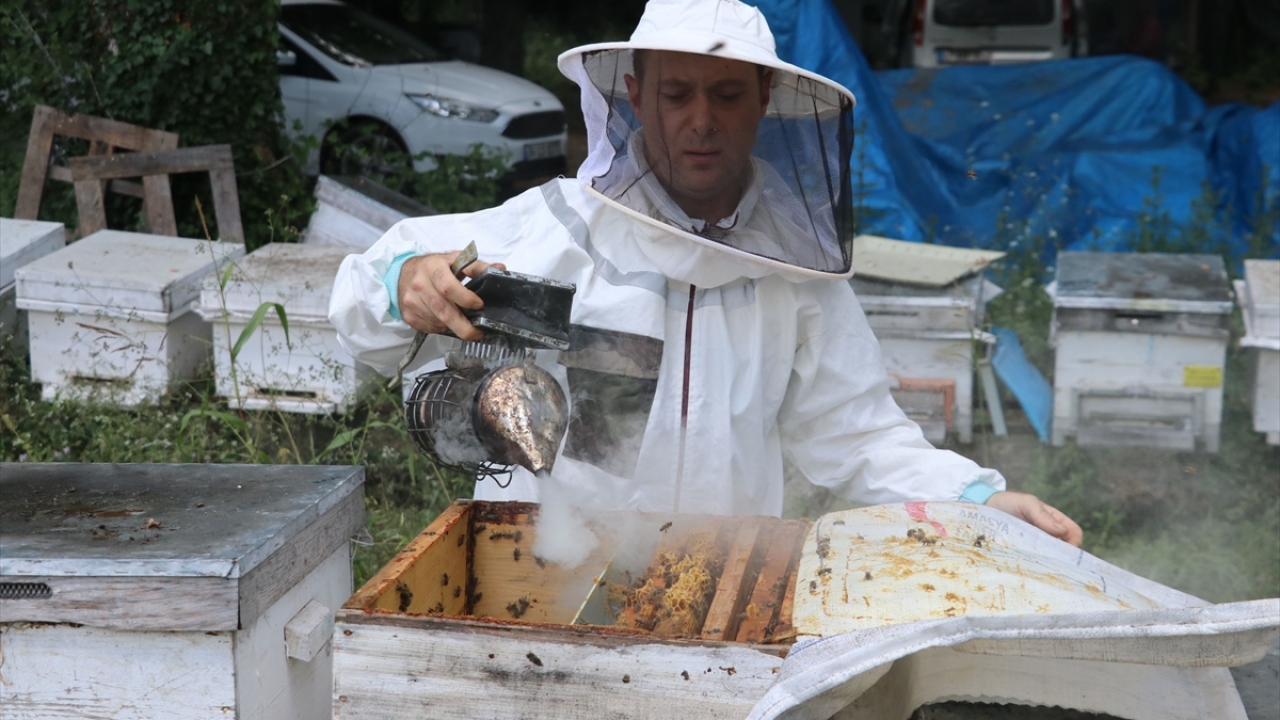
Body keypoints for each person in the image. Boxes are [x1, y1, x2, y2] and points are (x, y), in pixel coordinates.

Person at [330, 0, 1083, 546]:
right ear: (634, 96)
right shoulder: (559, 229)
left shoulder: (796, 271)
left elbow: (855, 434)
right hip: (552, 568)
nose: (701, 121)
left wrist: (979, 495)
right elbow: (363, 292)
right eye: (677, 93)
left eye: (726, 95)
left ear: (764, 102)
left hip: (728, 580)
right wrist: (406, 279)